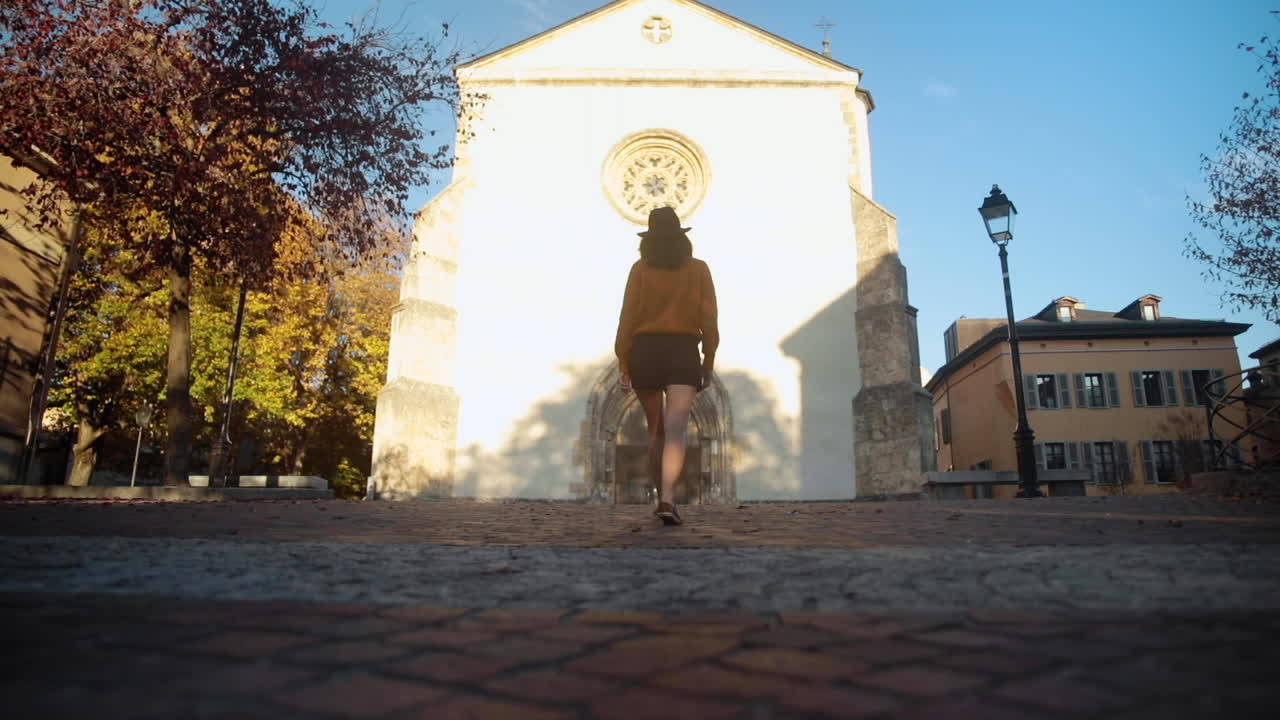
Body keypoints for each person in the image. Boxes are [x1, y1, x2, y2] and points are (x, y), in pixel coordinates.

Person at [614, 206, 718, 526]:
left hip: (645, 350)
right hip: (682, 351)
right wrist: (708, 361)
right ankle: (668, 499)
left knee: (655, 431)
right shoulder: (698, 269)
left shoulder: (640, 269)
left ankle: (660, 496)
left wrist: (623, 361)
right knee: (676, 430)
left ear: (648, 240)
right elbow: (709, 320)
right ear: (682, 238)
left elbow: (627, 317)